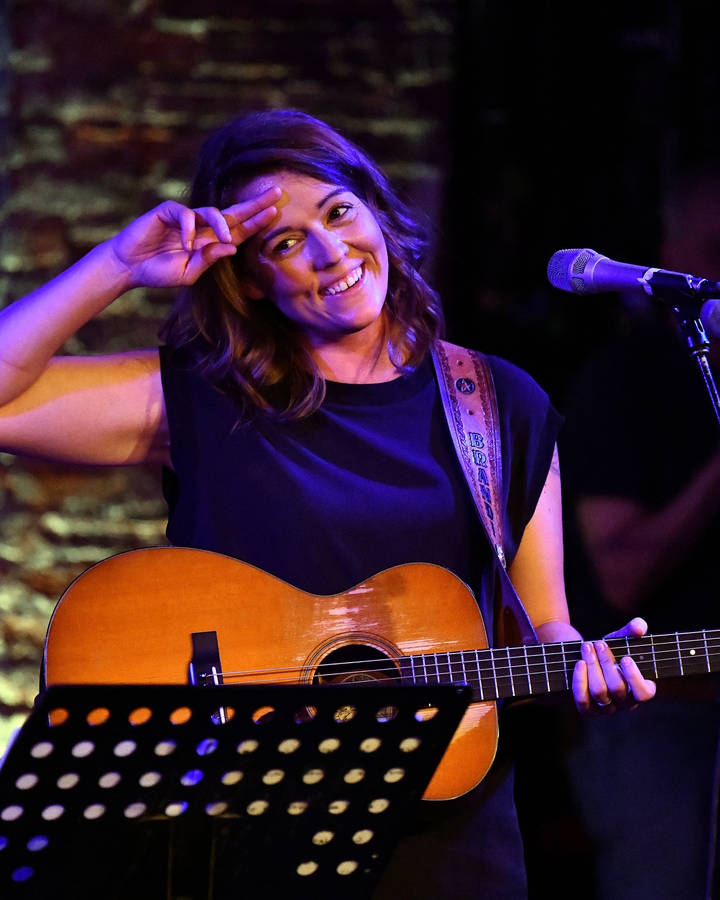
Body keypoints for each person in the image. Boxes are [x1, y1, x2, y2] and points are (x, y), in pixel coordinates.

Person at [0, 109, 656, 897]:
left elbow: (540, 621)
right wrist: (116, 264)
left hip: (447, 827)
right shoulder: (207, 399)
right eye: (284, 242)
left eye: (340, 212)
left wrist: (586, 664)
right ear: (247, 279)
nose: (329, 252)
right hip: (243, 820)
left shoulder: (497, 402)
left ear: (376, 210)